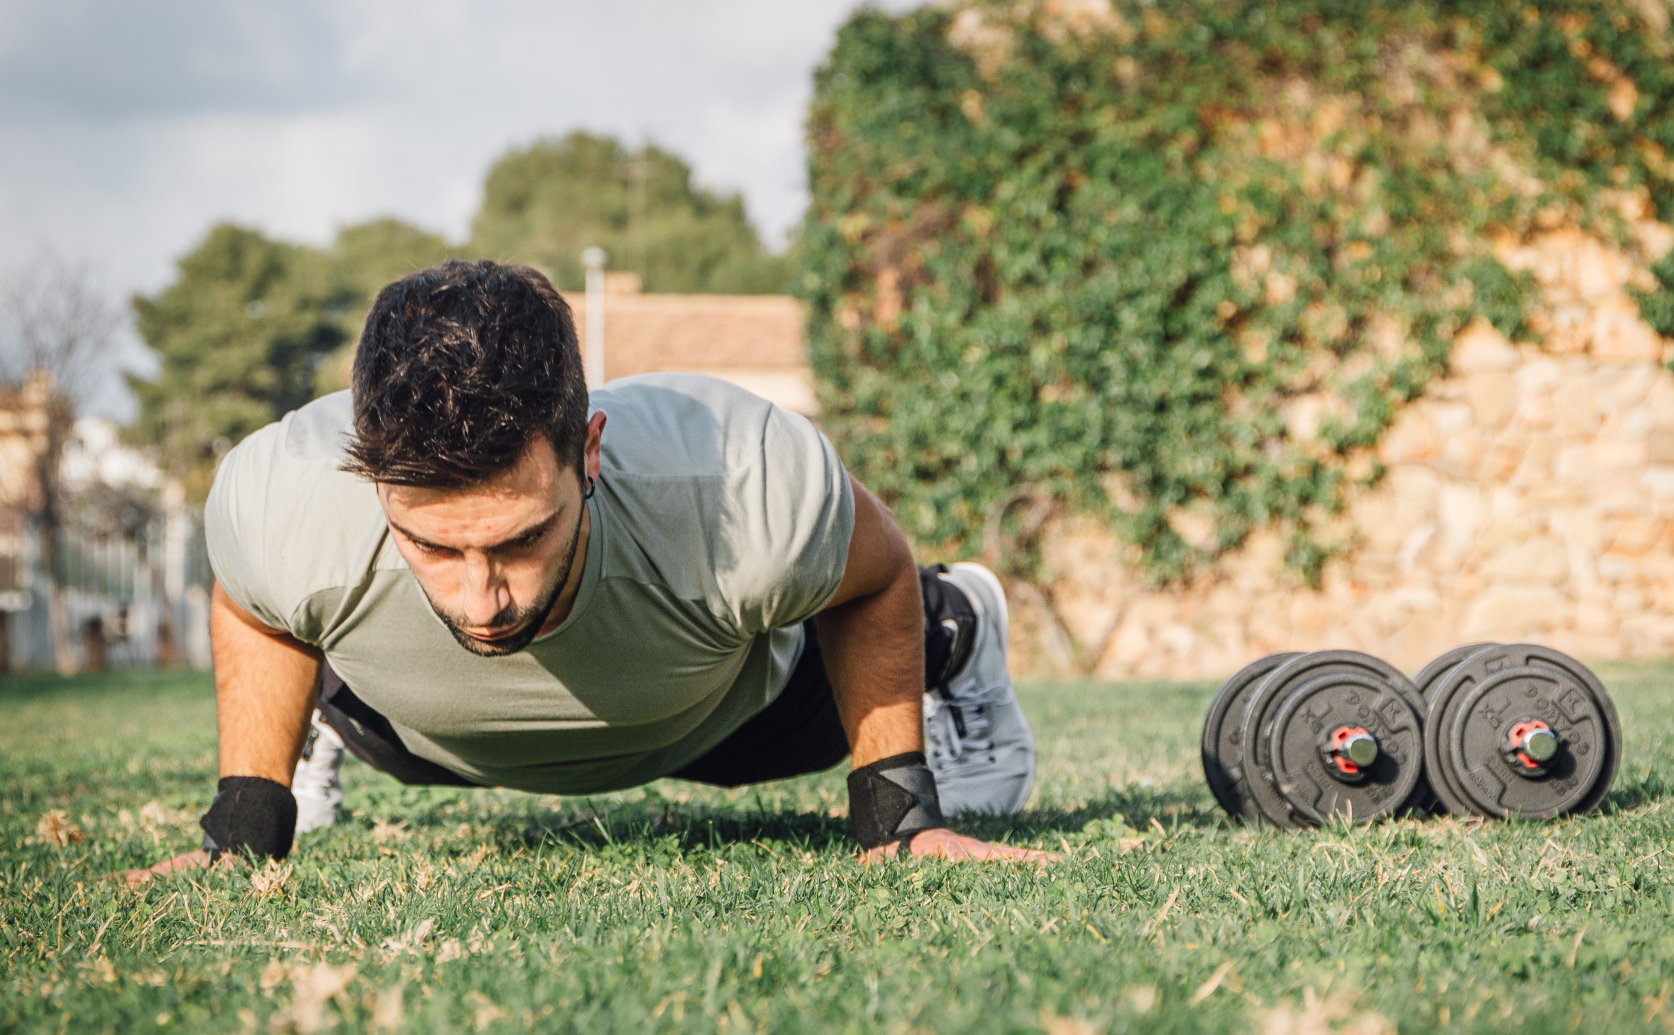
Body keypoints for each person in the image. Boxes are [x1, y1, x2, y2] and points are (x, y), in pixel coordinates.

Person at [124, 260, 1048, 885]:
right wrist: (244, 822)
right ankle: (314, 734)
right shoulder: (286, 495)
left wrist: (897, 813)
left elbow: (872, 574)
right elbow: (252, 603)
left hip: (727, 718)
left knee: (874, 610)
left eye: (520, 539)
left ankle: (959, 625)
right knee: (310, 614)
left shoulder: (737, 481)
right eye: (436, 547)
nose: (481, 602)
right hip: (421, 737)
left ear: (590, 452)